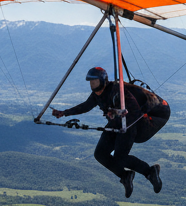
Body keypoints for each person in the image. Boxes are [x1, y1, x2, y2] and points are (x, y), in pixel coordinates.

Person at [52, 66, 169, 197]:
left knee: (120, 157)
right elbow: (86, 106)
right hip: (120, 120)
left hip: (136, 120)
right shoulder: (97, 94)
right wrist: (64, 113)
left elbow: (135, 112)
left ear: (102, 81)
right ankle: (125, 176)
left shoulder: (117, 91)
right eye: (90, 82)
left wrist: (117, 114)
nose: (92, 85)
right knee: (100, 154)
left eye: (95, 82)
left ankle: (150, 172)